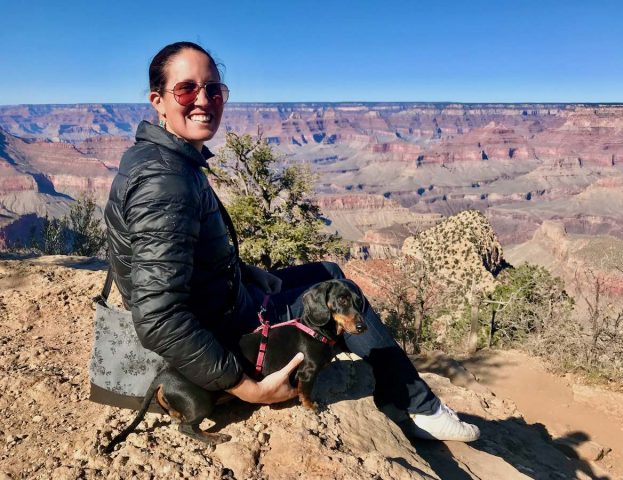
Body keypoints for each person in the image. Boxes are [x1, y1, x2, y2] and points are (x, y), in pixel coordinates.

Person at [104, 41, 480, 442]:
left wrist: (249, 274)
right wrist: (250, 388)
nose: (203, 99)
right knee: (345, 291)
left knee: (328, 272)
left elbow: (183, 255)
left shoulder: (164, 158)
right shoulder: (166, 181)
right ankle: (420, 407)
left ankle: (386, 385)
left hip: (225, 300)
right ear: (158, 101)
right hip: (219, 331)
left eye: (214, 89)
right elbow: (159, 317)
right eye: (186, 90)